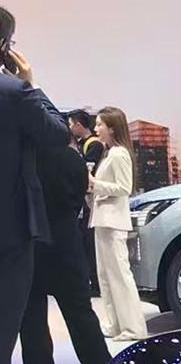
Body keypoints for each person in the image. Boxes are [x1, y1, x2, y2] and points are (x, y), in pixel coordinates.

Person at [0, 4, 69, 364]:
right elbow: (58, 135)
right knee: (2, 328)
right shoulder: (15, 93)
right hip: (8, 232)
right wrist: (32, 82)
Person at [20, 140, 112, 364]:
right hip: (67, 244)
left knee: (32, 319)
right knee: (81, 314)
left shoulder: (23, 161)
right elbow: (80, 194)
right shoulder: (72, 160)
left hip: (31, 245)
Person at [88, 107, 146, 340]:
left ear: (112, 128)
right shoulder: (110, 153)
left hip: (113, 222)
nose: (96, 128)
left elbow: (124, 187)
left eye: (100, 124)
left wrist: (94, 184)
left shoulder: (119, 154)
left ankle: (133, 328)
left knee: (119, 276)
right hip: (104, 220)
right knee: (106, 276)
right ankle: (116, 325)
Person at [67, 108, 104, 294]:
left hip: (92, 200)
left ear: (79, 125)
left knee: (89, 242)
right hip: (87, 201)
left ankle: (95, 283)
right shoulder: (85, 144)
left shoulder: (94, 145)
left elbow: (86, 170)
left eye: (71, 124)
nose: (70, 128)